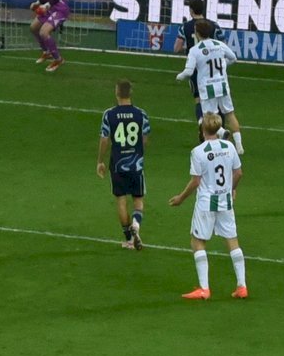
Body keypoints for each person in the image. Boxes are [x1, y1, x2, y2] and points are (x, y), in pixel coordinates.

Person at [168, 113, 248, 300]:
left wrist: (181, 198)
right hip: (225, 200)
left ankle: (204, 289)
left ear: (203, 129)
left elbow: (195, 181)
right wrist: (232, 189)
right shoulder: (229, 147)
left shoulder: (198, 152)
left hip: (206, 203)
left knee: (197, 241)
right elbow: (239, 173)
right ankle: (242, 286)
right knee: (232, 240)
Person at [96, 79, 151, 249]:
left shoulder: (109, 114)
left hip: (117, 164)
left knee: (121, 201)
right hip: (136, 163)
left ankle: (129, 239)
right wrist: (138, 152)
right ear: (130, 93)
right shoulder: (141, 114)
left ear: (117, 93)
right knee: (138, 200)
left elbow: (104, 139)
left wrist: (100, 161)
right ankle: (136, 225)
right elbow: (145, 137)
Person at [175, 20, 245, 153]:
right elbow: (233, 58)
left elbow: (189, 71)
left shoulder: (195, 50)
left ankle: (222, 132)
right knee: (230, 114)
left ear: (197, 33)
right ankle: (239, 146)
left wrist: (179, 77)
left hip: (208, 87)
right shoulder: (219, 44)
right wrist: (223, 65)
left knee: (208, 117)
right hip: (222, 84)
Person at [172, 0, 224, 129]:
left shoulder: (185, 27)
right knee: (216, 98)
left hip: (196, 68)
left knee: (199, 99)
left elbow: (176, 48)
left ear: (191, 10)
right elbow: (223, 45)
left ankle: (202, 125)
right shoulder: (214, 26)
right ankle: (219, 127)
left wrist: (188, 48)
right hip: (213, 67)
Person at [20, 0, 69, 72]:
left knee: (44, 32)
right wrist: (37, 3)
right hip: (50, 8)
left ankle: (58, 59)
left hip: (59, 9)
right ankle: (47, 52)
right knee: (34, 28)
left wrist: (46, 5)